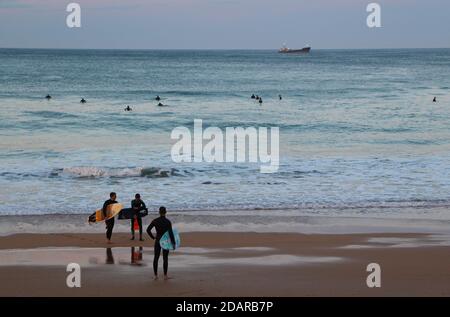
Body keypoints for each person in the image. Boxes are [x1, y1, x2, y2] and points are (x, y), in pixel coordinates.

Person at [147, 206, 176, 280]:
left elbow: (148, 230)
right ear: (165, 212)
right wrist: (173, 243)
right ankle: (165, 276)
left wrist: (153, 237)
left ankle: (155, 276)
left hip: (158, 240)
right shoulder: (168, 221)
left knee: (156, 258)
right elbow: (170, 233)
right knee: (165, 258)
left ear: (159, 212)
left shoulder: (155, 221)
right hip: (165, 241)